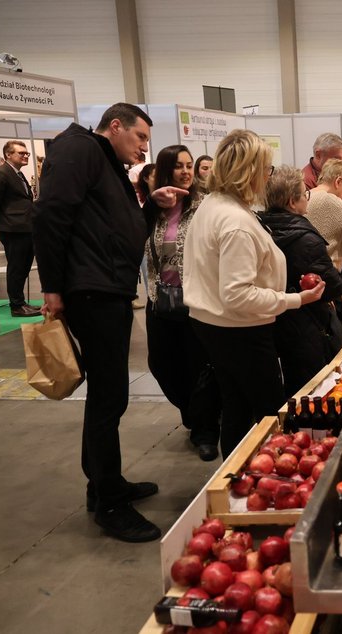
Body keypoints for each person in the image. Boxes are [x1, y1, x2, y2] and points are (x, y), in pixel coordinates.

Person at [33, 103, 161, 542]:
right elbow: (50, 216)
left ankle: (105, 484)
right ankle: (109, 502)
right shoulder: (80, 150)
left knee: (111, 396)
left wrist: (152, 208)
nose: (145, 148)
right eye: (141, 137)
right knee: (109, 398)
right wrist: (52, 287)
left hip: (107, 289)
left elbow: (120, 231)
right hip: (92, 292)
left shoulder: (104, 161)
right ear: (116, 126)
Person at [183, 130, 326, 458]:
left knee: (236, 406)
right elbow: (237, 294)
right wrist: (295, 300)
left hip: (218, 326)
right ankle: (264, 477)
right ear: (249, 171)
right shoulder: (234, 221)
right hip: (240, 329)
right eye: (267, 168)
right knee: (265, 414)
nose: (268, 176)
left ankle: (235, 475)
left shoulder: (214, 206)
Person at [142, 145, 221, 462]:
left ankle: (205, 431)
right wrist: (150, 206)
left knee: (199, 367)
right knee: (161, 365)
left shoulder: (205, 206)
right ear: (165, 170)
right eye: (178, 166)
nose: (187, 171)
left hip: (197, 302)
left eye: (190, 165)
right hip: (159, 299)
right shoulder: (154, 211)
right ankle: (192, 412)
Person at [263, 166, 342, 395]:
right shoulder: (306, 239)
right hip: (308, 323)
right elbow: (331, 284)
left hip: (275, 319)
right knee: (315, 388)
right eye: (304, 193)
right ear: (292, 201)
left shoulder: (262, 228)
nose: (307, 197)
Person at [0, 140, 40, 317]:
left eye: (26, 153)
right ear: (8, 155)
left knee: (24, 266)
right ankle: (17, 305)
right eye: (21, 153)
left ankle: (20, 302)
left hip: (24, 228)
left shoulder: (17, 174)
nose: (26, 155)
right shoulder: (1, 174)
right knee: (17, 267)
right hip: (12, 229)